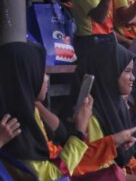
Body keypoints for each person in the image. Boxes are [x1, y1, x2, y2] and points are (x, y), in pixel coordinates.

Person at [0, 42, 92, 180]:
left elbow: (60, 133)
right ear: (26, 77)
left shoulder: (27, 108)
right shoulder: (14, 126)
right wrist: (79, 133)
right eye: (42, 72)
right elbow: (52, 176)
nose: (47, 79)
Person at [77, 42, 136, 180]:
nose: (133, 77)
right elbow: (91, 164)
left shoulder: (117, 106)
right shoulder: (89, 113)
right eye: (127, 71)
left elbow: (126, 158)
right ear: (108, 73)